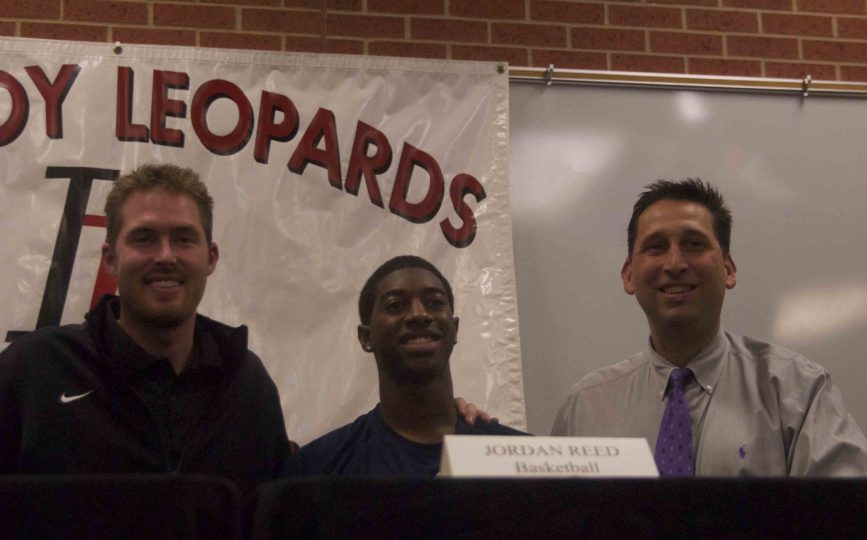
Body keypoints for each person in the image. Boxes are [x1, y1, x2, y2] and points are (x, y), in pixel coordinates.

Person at [552, 178, 867, 477]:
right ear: (628, 275)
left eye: (694, 244)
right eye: (656, 247)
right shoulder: (585, 408)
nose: (674, 264)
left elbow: (864, 520)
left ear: (728, 269)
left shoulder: (796, 391)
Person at [0, 163, 291, 493]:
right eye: (145, 239)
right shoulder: (35, 370)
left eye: (184, 239)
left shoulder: (247, 384)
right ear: (110, 258)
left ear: (210, 258)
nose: (166, 256)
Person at [282, 255, 525, 478]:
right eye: (396, 306)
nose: (419, 315)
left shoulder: (521, 463)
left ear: (455, 329)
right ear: (366, 337)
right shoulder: (317, 469)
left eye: (434, 302)